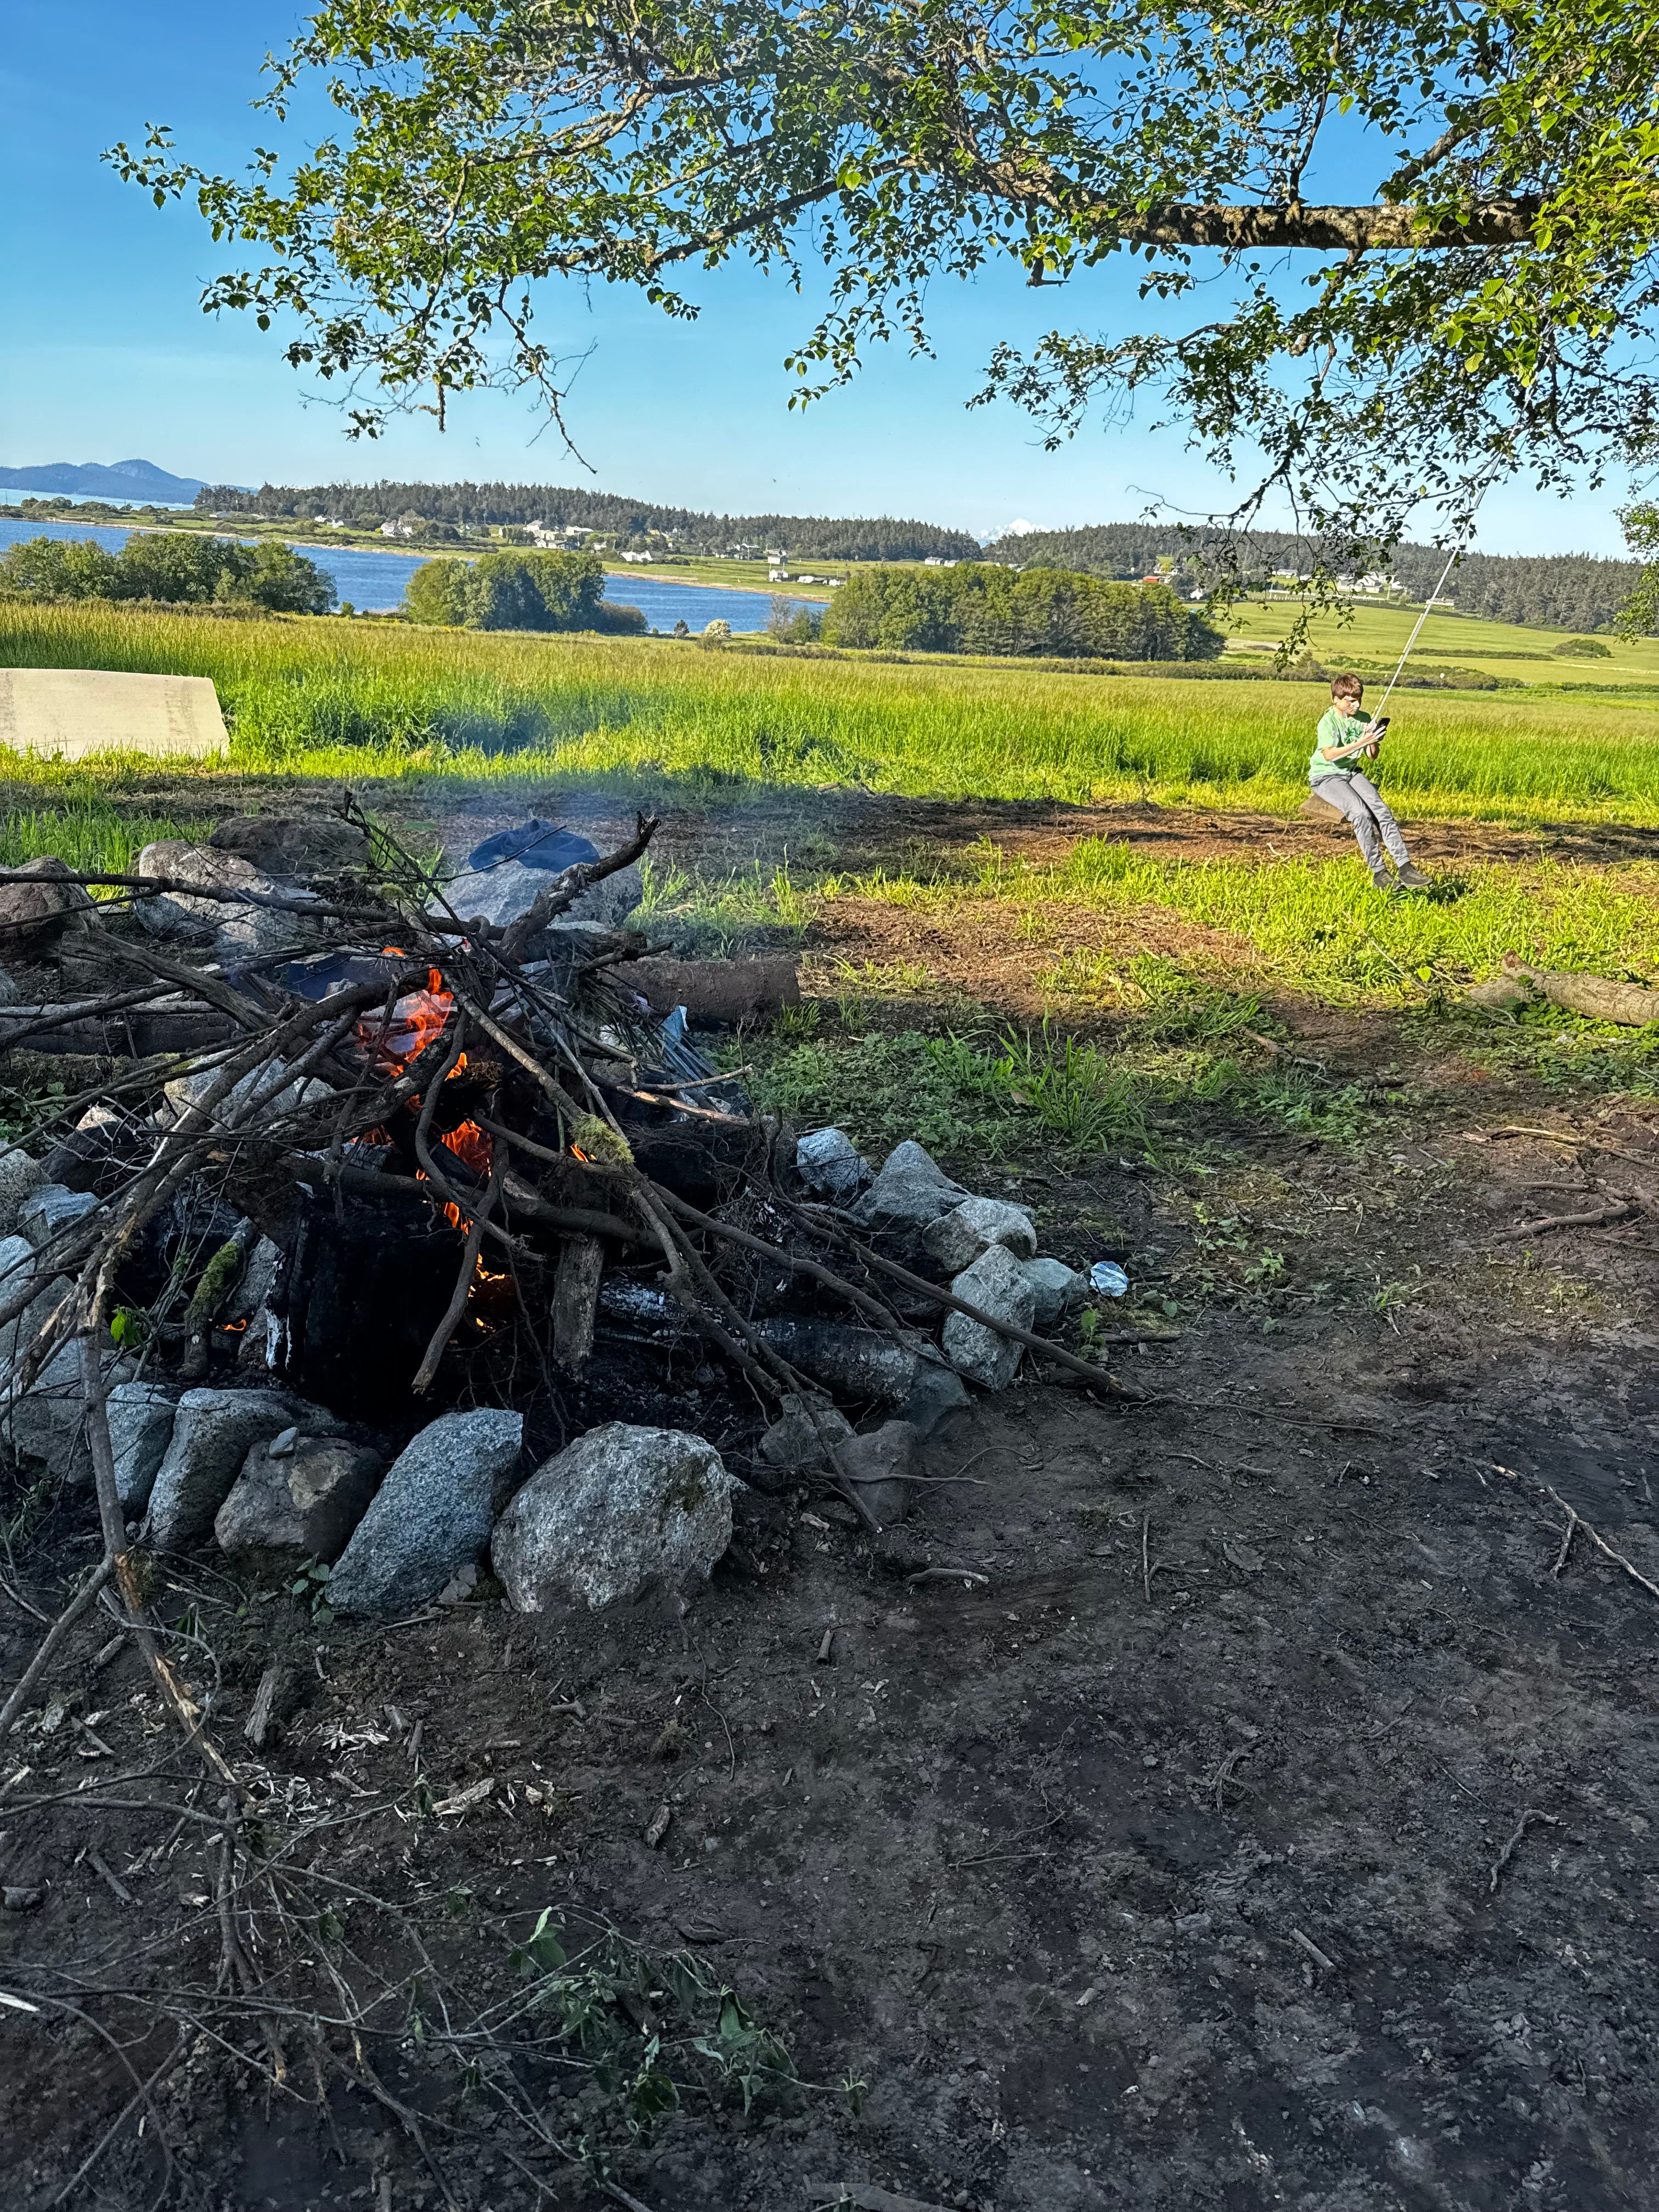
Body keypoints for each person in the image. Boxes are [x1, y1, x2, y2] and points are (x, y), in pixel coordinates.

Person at [1310, 674, 1431, 890]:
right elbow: (1329, 755)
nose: (1356, 704)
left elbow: (1371, 756)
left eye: (1359, 699)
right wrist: (1360, 741)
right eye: (1350, 700)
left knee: (1381, 811)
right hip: (1326, 776)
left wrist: (1373, 740)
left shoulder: (1365, 718)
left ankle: (1405, 868)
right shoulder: (1327, 722)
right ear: (1336, 700)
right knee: (1360, 813)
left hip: (1351, 772)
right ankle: (1379, 873)